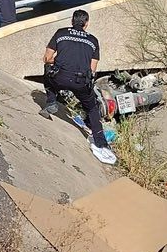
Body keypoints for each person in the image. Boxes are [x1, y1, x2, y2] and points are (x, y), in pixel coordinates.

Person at [42, 10, 116, 165]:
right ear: (86, 23)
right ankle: (101, 142)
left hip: (59, 77)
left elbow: (47, 58)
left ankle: (51, 102)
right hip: (80, 81)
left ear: (72, 21)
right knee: (92, 108)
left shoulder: (61, 33)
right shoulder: (93, 41)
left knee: (48, 76)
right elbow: (92, 69)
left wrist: (59, 60)